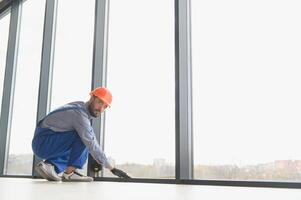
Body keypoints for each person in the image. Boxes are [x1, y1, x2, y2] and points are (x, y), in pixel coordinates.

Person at [31, 87, 130, 182]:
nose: (101, 109)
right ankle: (52, 166)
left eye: (105, 106)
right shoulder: (79, 114)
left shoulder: (81, 110)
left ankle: (69, 172)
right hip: (43, 142)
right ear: (92, 98)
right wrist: (111, 167)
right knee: (83, 137)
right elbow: (91, 143)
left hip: (47, 141)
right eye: (99, 102)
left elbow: (92, 138)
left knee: (85, 136)